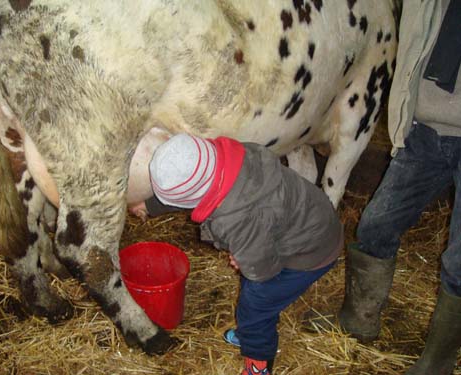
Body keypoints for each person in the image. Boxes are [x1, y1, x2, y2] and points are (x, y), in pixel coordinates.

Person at [138, 133, 343, 375]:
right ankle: (250, 333)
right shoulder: (237, 160)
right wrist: (148, 206)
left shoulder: (237, 219)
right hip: (309, 217)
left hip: (309, 252)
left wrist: (246, 261)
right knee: (254, 281)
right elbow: (195, 184)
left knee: (256, 303)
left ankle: (258, 362)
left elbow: (262, 270)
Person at [334, 1, 461, 374]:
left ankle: (436, 364)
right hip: (424, 133)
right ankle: (358, 321)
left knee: (460, 261)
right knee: (376, 225)